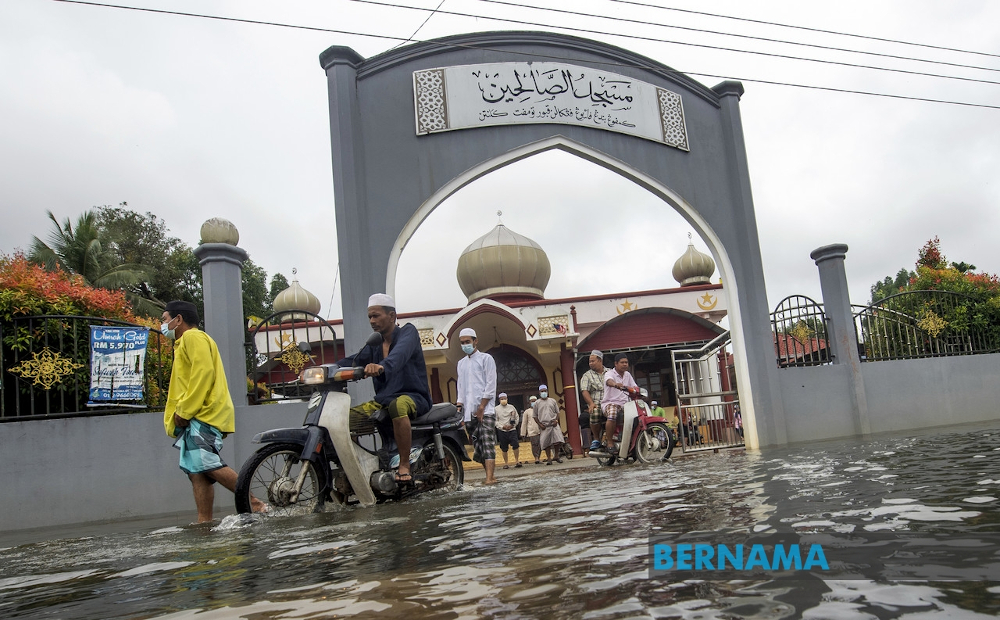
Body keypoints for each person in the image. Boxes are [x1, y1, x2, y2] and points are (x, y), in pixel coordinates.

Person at [161, 300, 266, 522]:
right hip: (196, 415)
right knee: (197, 472)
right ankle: (204, 522)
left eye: (165, 319)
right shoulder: (186, 342)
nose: (163, 325)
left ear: (178, 319)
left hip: (201, 413)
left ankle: (255, 504)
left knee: (206, 463)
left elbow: (203, 374)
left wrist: (185, 411)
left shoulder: (192, 337)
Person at [337, 293, 431, 484]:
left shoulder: (408, 332)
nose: (372, 321)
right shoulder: (374, 344)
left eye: (376, 316)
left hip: (413, 396)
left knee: (398, 406)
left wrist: (382, 366)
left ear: (392, 316)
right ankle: (358, 467)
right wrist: (325, 370)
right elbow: (354, 361)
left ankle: (404, 464)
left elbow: (400, 354)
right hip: (384, 400)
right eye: (370, 317)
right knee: (345, 419)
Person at [456, 327, 498, 484]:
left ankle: (489, 478)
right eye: (462, 343)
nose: (465, 345)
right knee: (478, 445)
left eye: (468, 342)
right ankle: (490, 474)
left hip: (486, 410)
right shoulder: (460, 364)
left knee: (488, 442)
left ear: (475, 341)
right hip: (468, 413)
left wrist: (481, 407)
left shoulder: (486, 359)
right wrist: (459, 407)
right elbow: (461, 387)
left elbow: (490, 384)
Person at [599, 352, 638, 454]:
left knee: (638, 414)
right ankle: (610, 442)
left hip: (625, 404)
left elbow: (634, 387)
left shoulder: (628, 375)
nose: (625, 364)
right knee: (612, 413)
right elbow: (609, 381)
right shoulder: (609, 373)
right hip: (610, 403)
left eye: (626, 362)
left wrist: (639, 391)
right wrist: (615, 384)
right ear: (616, 364)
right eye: (622, 362)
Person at [579, 350, 606, 456]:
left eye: (592, 361)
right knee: (594, 413)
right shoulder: (587, 376)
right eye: (589, 362)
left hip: (611, 401)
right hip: (597, 403)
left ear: (600, 360)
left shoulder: (610, 372)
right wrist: (591, 403)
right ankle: (596, 439)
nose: (590, 363)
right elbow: (585, 391)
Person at [534, 384, 564, 464]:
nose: (543, 392)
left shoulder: (552, 401)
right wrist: (540, 425)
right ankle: (549, 458)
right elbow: (535, 416)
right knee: (546, 443)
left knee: (557, 441)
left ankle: (556, 456)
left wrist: (556, 421)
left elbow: (557, 412)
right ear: (539, 392)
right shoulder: (537, 403)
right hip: (544, 426)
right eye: (542, 391)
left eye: (545, 391)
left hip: (554, 424)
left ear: (547, 391)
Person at [494, 392, 521, 469]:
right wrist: (502, 427)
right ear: (499, 400)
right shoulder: (496, 409)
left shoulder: (512, 407)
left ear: (507, 399)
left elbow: (516, 417)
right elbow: (495, 420)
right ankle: (506, 463)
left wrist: (513, 425)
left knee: (515, 445)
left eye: (505, 399)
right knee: (504, 447)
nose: (503, 400)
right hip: (502, 431)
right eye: (502, 399)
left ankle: (517, 461)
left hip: (512, 429)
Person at [519, 396, 542, 464]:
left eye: (535, 401)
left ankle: (539, 457)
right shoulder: (527, 411)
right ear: (529, 402)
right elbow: (524, 423)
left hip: (541, 430)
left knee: (540, 445)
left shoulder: (540, 410)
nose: (533, 402)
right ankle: (536, 458)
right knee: (534, 445)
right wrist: (523, 433)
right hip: (532, 431)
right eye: (532, 401)